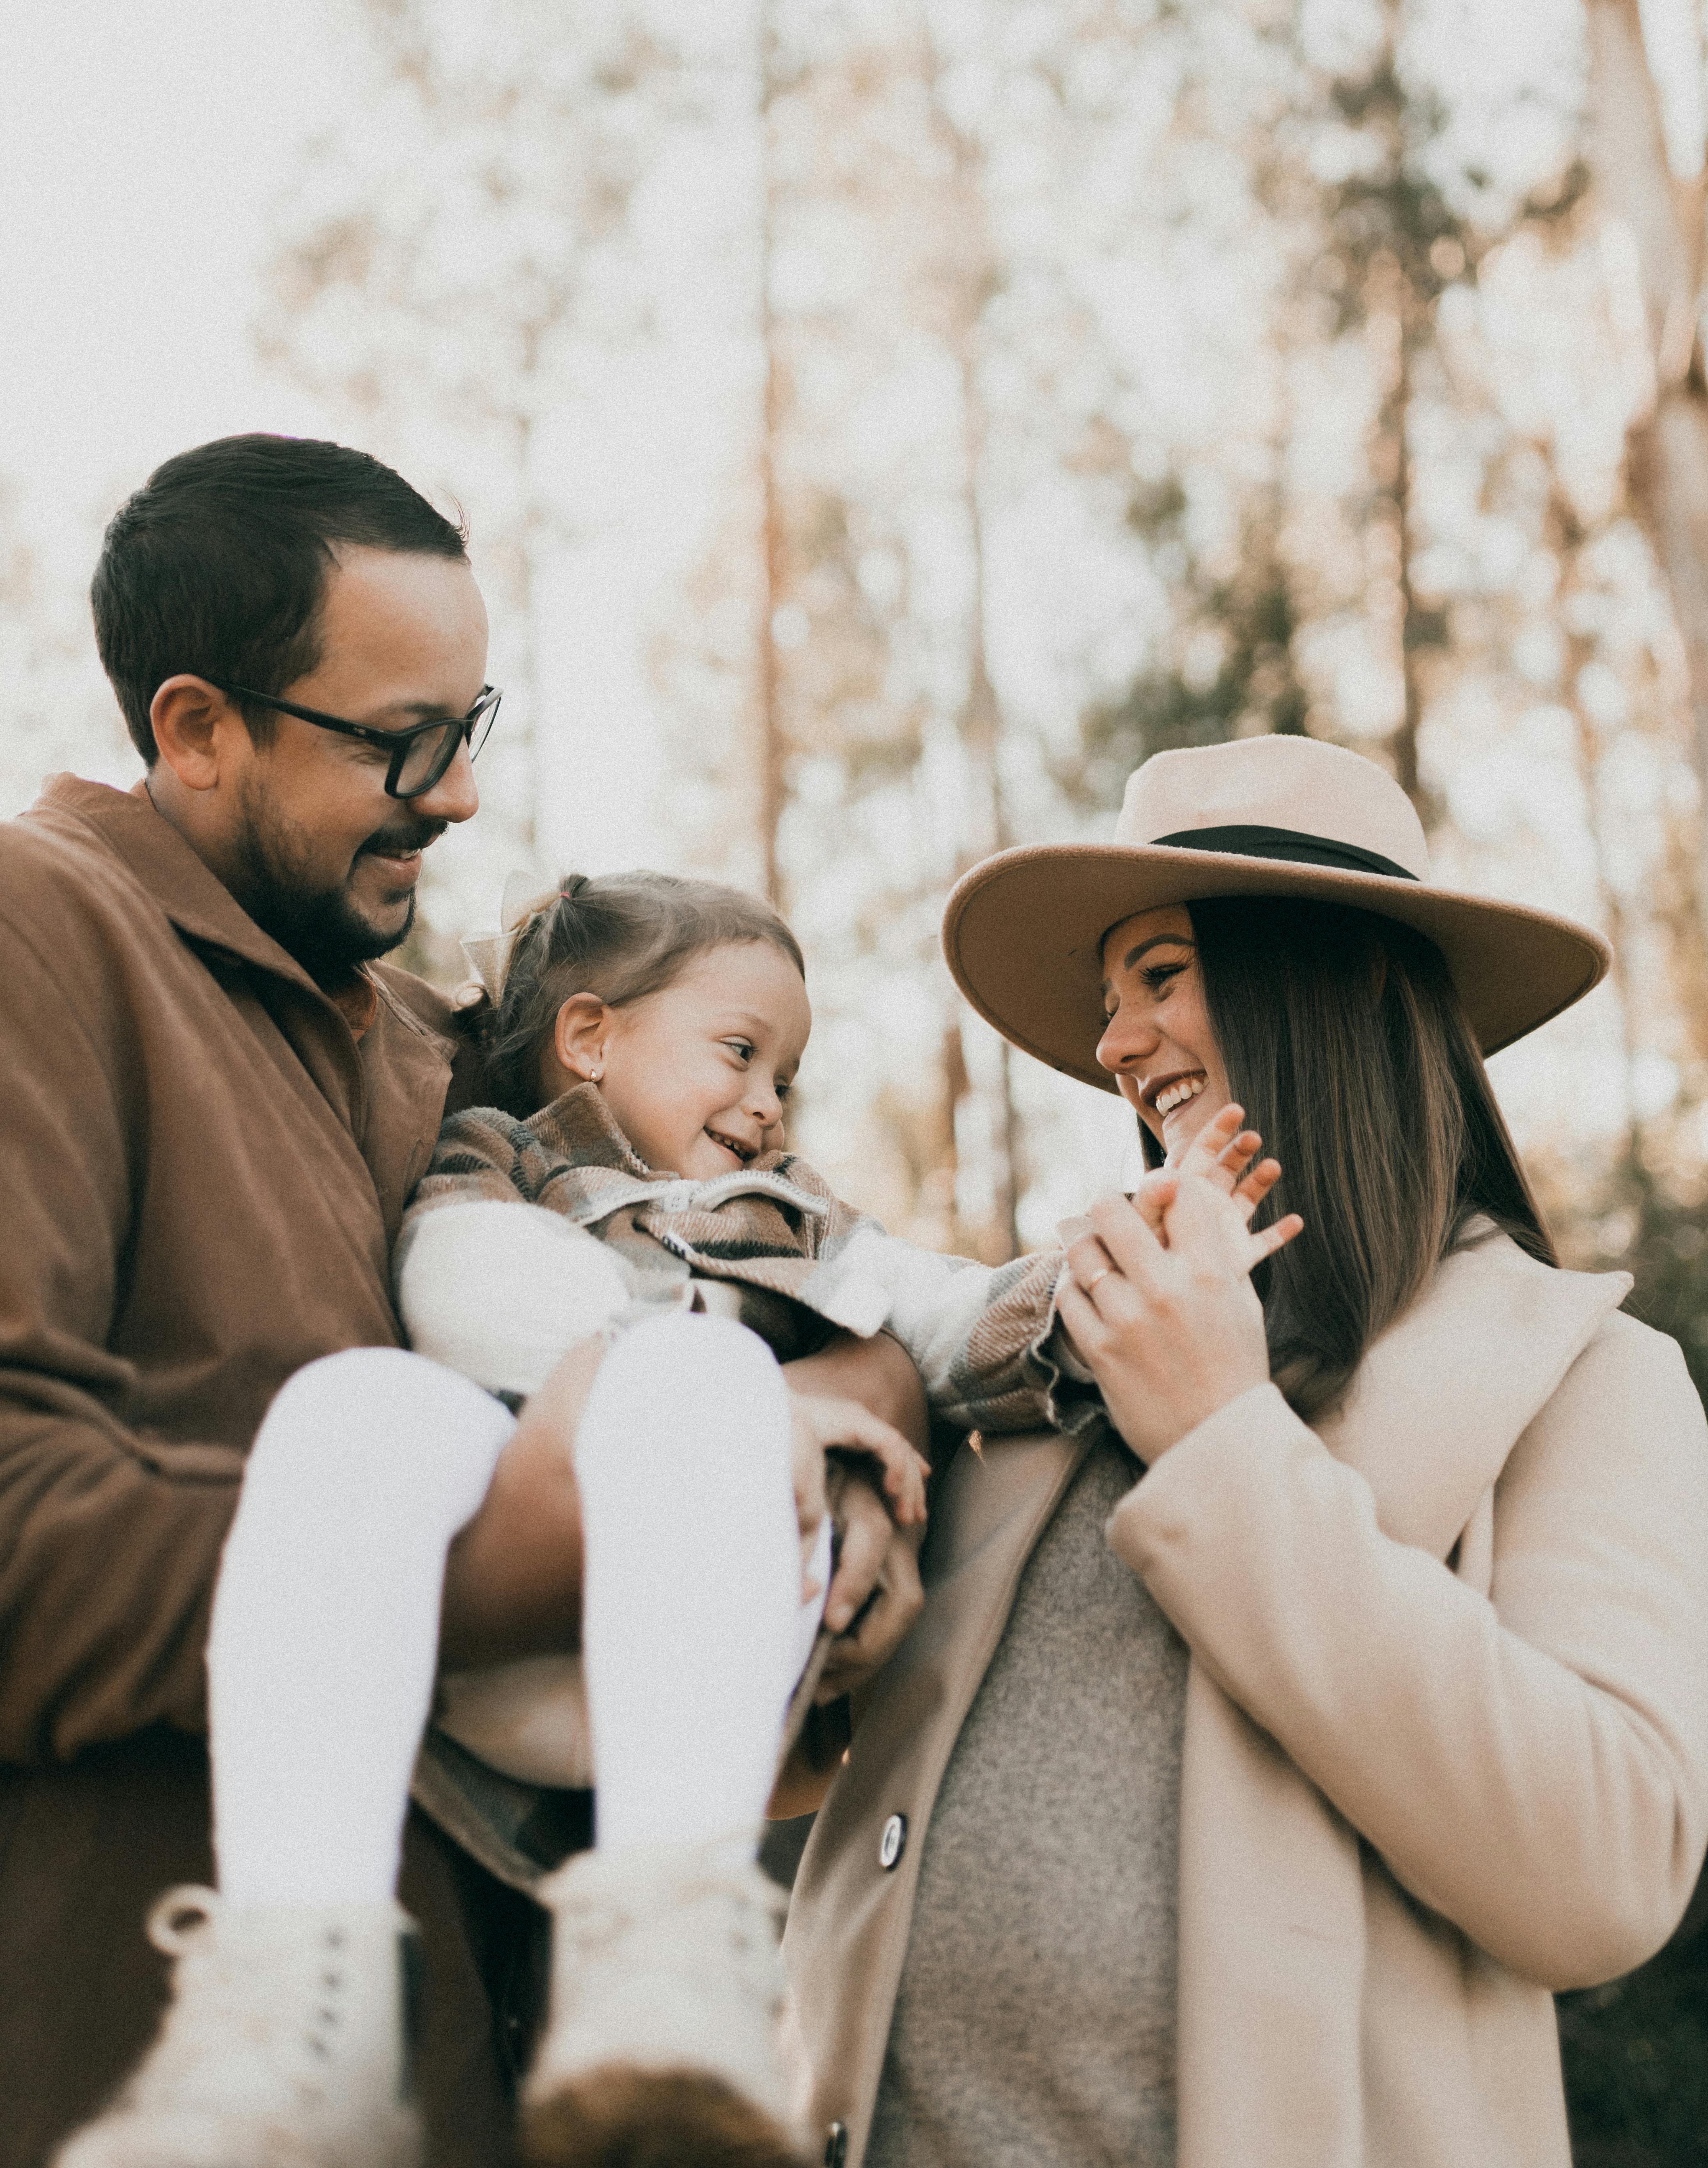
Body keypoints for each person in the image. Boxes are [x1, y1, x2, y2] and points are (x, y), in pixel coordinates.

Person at [0, 432, 928, 2168]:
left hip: (519, 2087)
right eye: (398, 743)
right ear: (196, 729)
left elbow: (765, 1259)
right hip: (120, 2063)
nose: (460, 797)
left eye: (470, 728)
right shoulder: (38, 939)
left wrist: (850, 1414)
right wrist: (497, 1565)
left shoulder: (441, 1044)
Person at [785, 731, 1708, 2168]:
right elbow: (815, 1749)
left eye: (1161, 976)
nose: (1110, 1047)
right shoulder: (1046, 1351)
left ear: (1318, 985)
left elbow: (1602, 1873)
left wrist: (1222, 1439)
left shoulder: (1584, 1383)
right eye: (1110, 1001)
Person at [67, 866, 1074, 2168]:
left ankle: (670, 1962)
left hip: (697, 1675)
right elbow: (460, 1292)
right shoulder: (506, 1171)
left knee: (689, 1373)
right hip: (500, 1646)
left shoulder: (802, 1225)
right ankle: (294, 1995)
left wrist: (1084, 1286)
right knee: (354, 1405)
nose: (769, 1105)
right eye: (739, 1053)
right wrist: (732, 1375)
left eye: (788, 1075)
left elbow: (936, 1307)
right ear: (591, 1035)